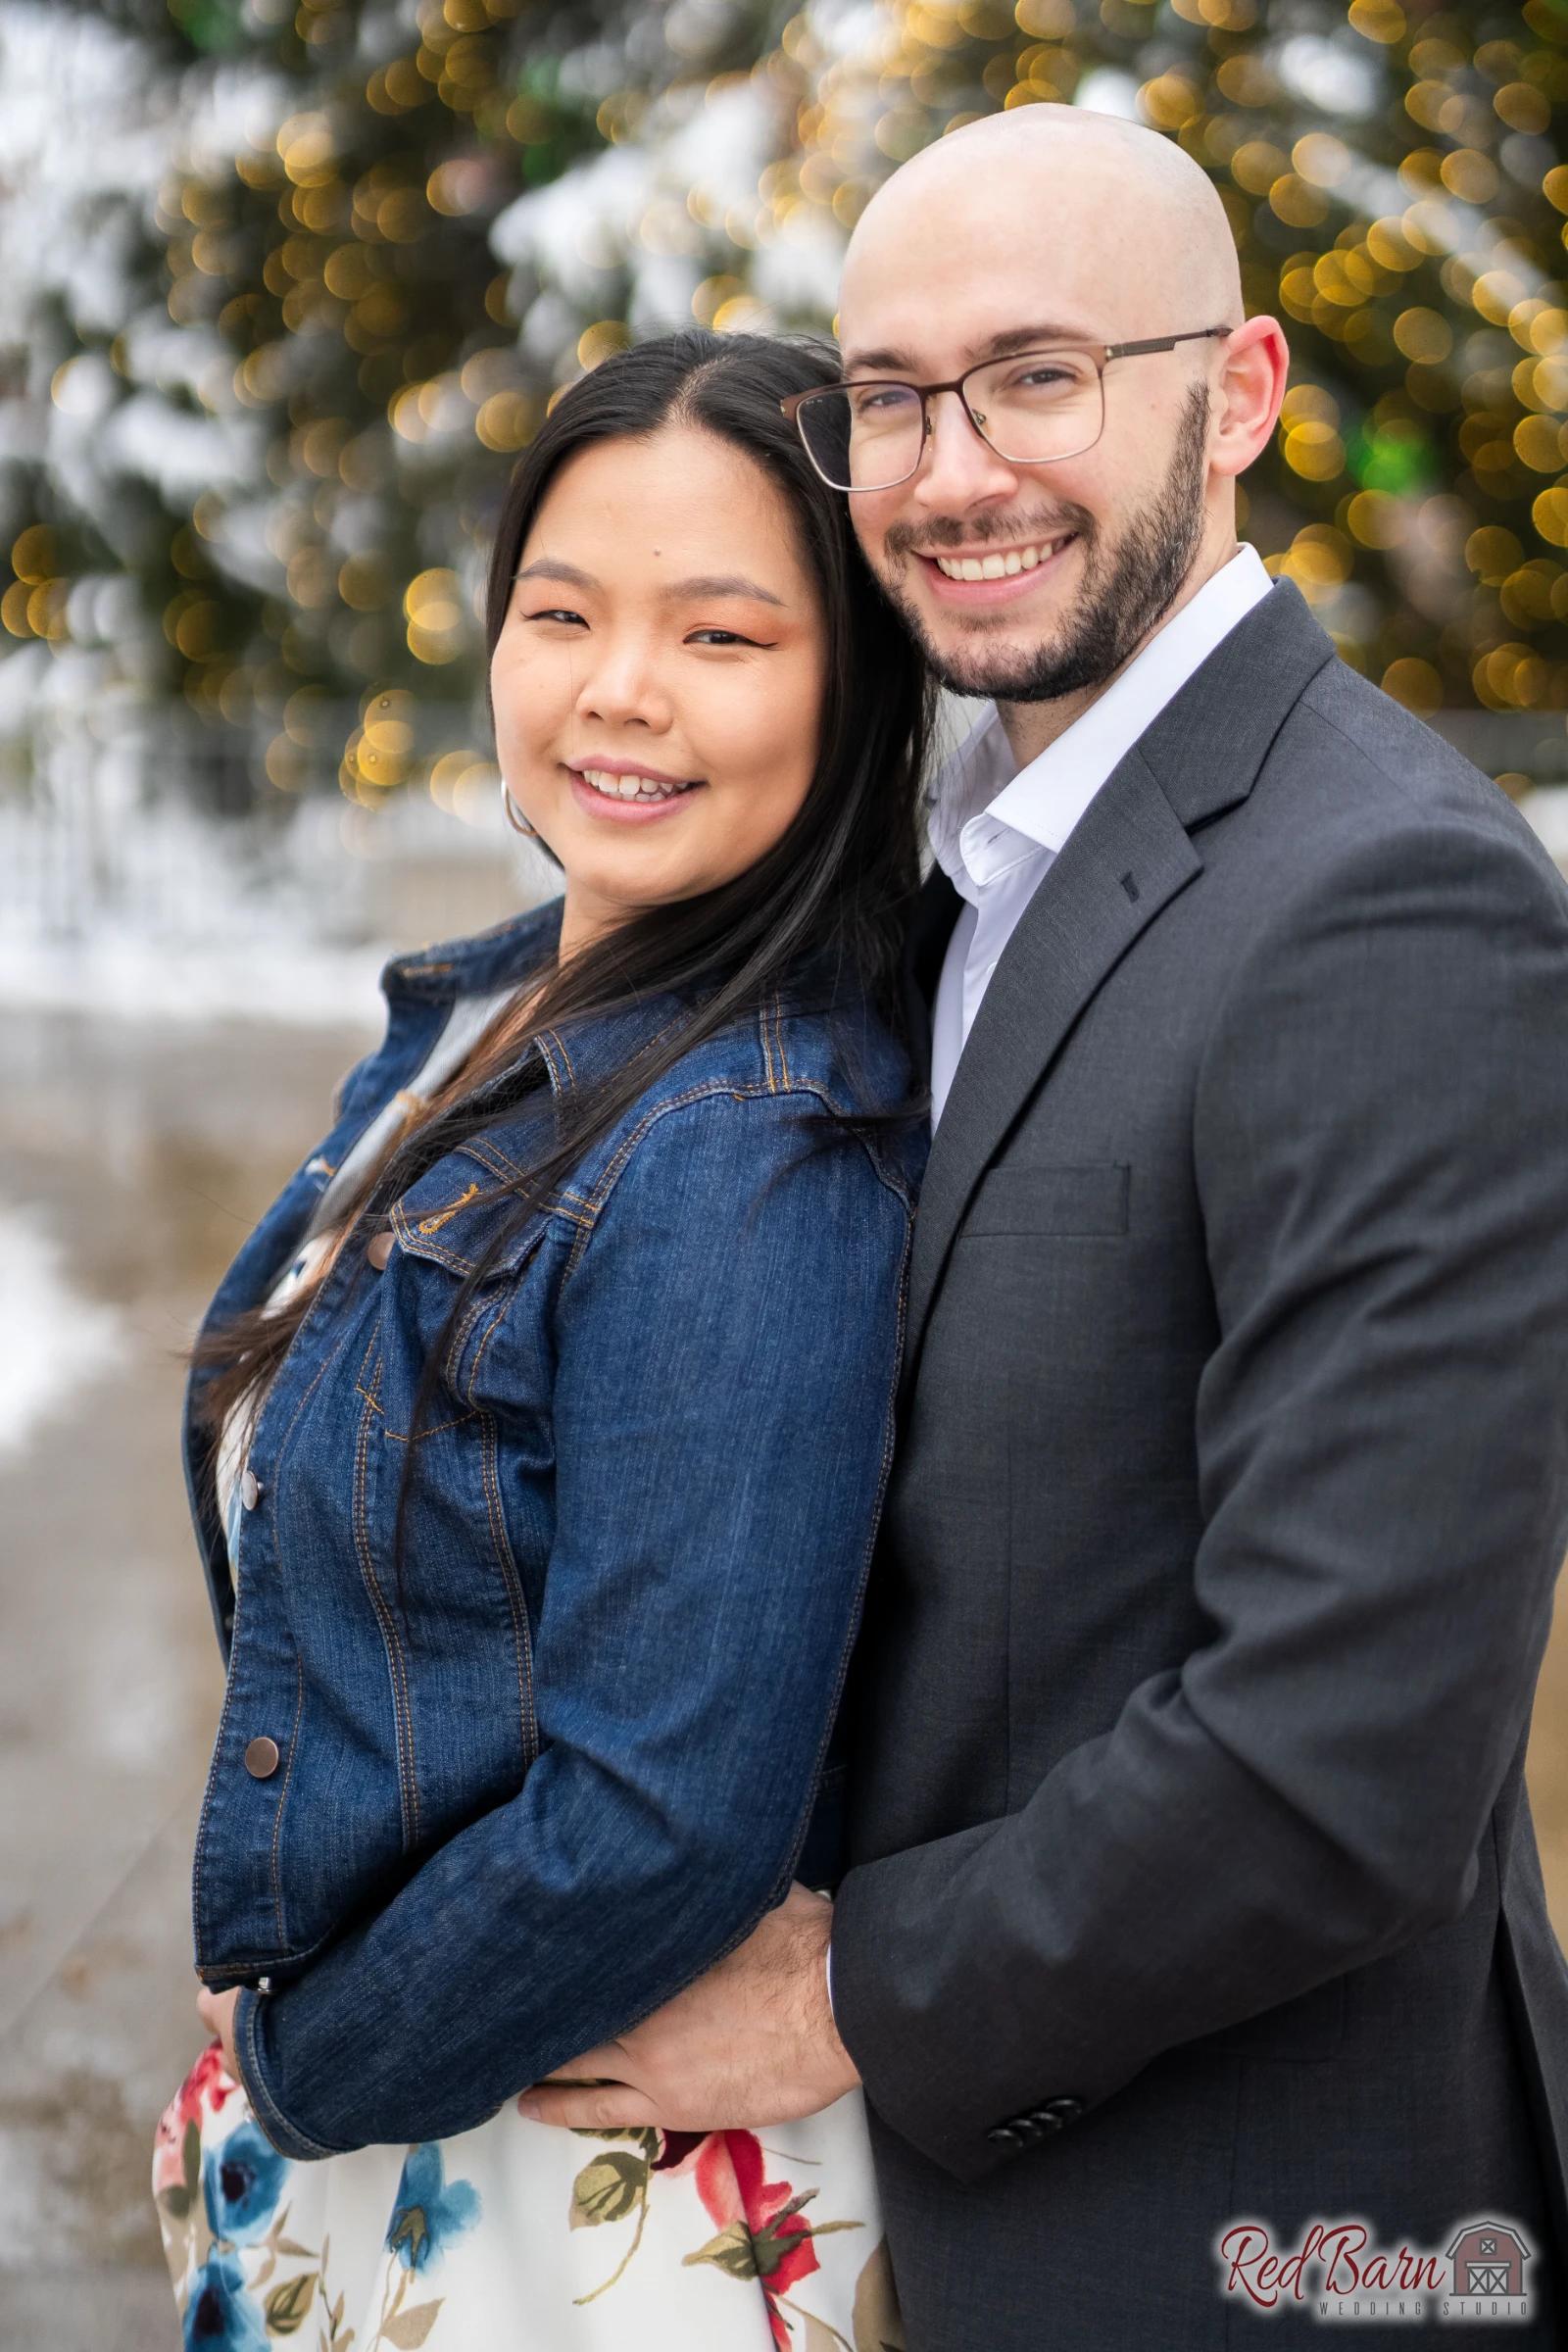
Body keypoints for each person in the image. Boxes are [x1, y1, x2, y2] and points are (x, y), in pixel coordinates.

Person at [516, 108, 1568, 2348]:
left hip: (1231, 2230)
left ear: (1243, 393)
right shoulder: (957, 840)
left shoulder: (1387, 897)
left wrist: (842, 1997)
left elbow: (1340, 1752)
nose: (946, 466)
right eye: (886, 396)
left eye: (1037, 374)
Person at [151, 326, 929, 2350]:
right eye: (560, 611)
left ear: (855, 685)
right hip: (429, 2102)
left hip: (570, 2217)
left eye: (724, 634)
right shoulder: (501, 1011)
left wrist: (307, 2057)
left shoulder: (750, 1141)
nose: (618, 690)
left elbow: (654, 1816)